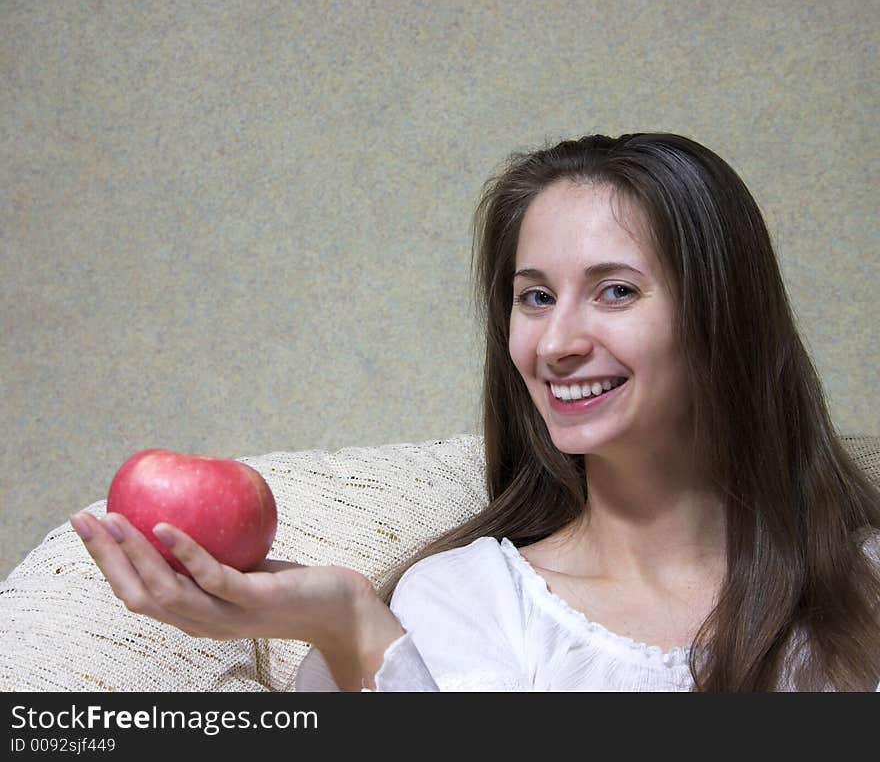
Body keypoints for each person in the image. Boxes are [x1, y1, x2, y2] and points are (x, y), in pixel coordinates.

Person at [70, 132, 880, 691]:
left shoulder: (863, 589)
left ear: (722, 315)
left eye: (616, 290)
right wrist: (352, 628)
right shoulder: (456, 604)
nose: (556, 341)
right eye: (534, 296)